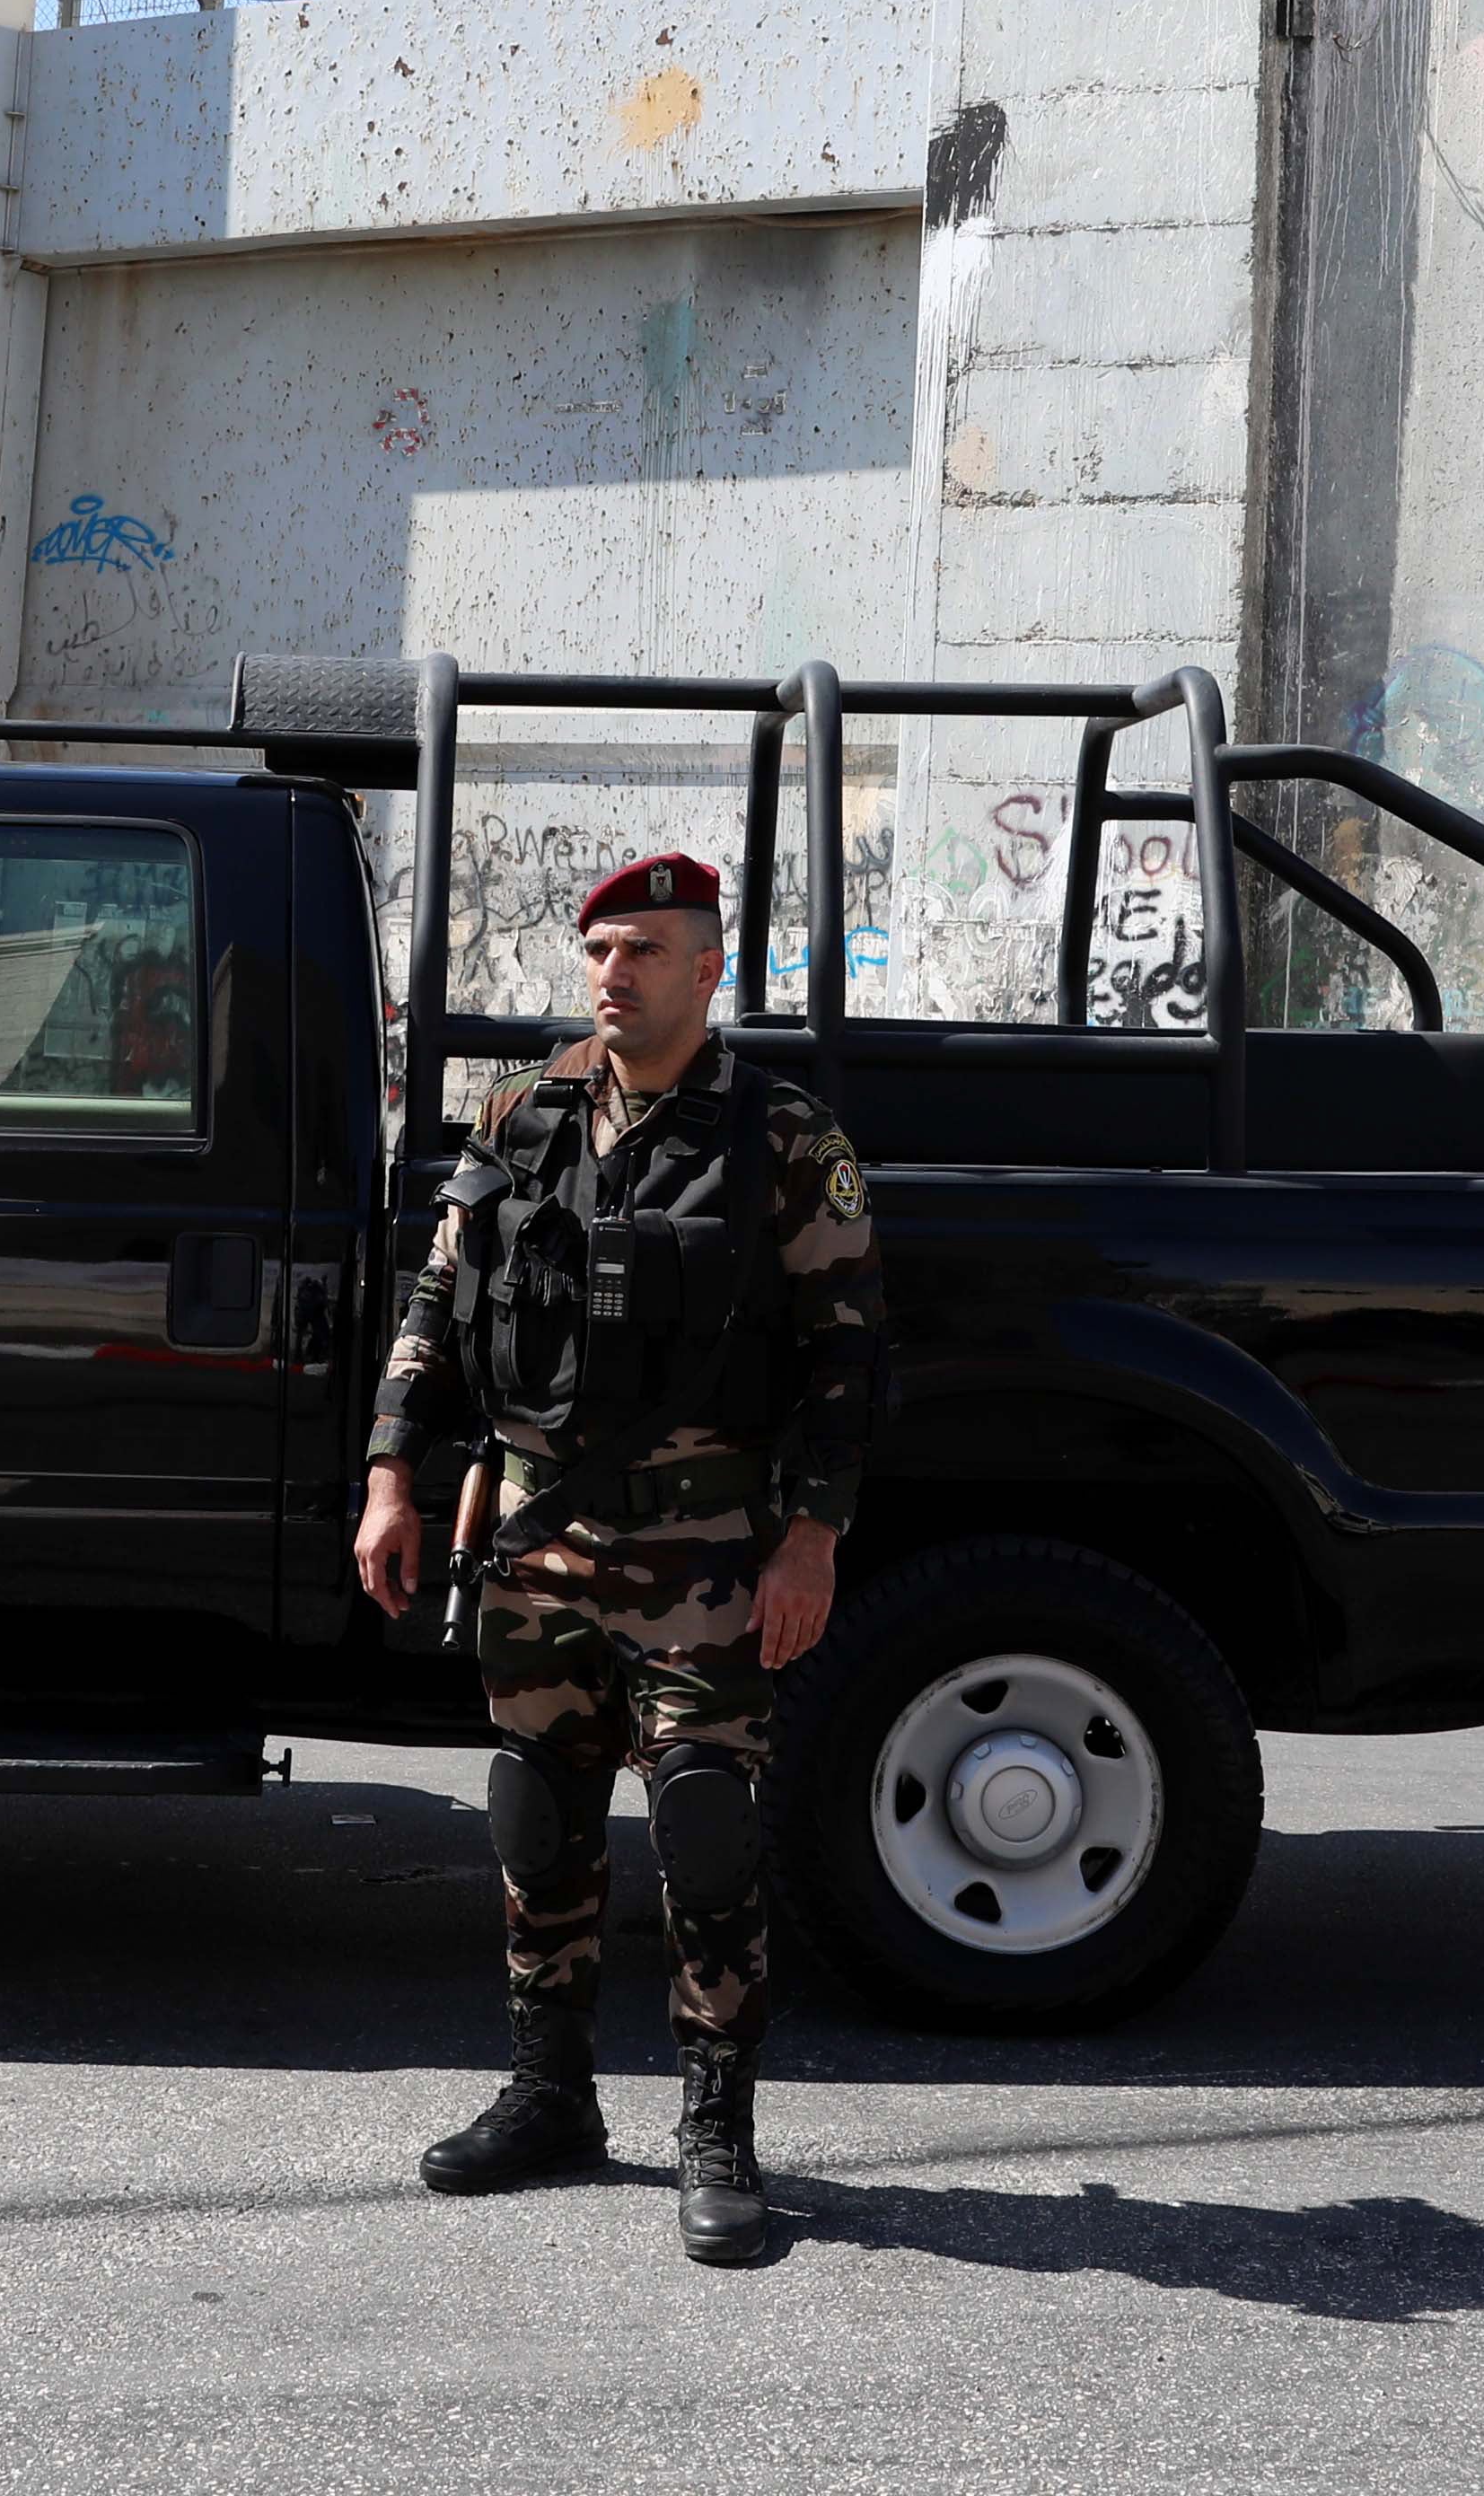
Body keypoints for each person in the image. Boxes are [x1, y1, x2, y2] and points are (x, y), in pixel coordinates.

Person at [353, 848, 882, 2270]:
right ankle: (551, 2098)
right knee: (539, 1814)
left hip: (709, 1542)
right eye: (600, 948)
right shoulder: (523, 1114)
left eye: (646, 947)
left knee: (705, 1824)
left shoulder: (780, 1136)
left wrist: (812, 1539)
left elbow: (845, 1356)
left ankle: (718, 2127)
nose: (614, 969)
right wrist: (394, 1472)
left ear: (709, 968)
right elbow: (441, 1294)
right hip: (536, 1533)